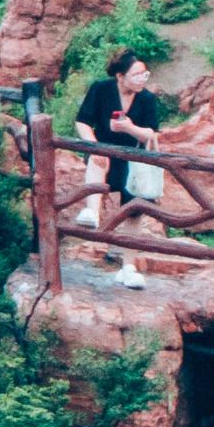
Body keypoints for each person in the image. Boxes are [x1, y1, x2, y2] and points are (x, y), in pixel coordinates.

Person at [74, 49, 163, 282]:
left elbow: (150, 134)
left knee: (133, 211)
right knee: (96, 161)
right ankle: (92, 211)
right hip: (103, 151)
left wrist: (128, 128)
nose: (142, 79)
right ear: (120, 76)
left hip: (133, 160)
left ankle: (128, 267)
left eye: (145, 74)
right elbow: (83, 121)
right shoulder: (101, 89)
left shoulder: (147, 99)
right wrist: (93, 146)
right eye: (137, 74)